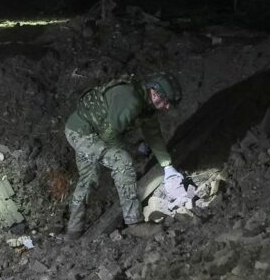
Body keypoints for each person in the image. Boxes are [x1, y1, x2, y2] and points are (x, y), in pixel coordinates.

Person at [63, 72, 184, 239]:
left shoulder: (146, 108)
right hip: (82, 132)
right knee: (122, 161)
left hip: (82, 129)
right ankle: (135, 223)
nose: (167, 106)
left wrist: (167, 165)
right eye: (165, 101)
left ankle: (73, 231)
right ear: (154, 93)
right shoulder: (131, 100)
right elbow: (109, 136)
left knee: (89, 177)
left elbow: (154, 137)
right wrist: (129, 155)